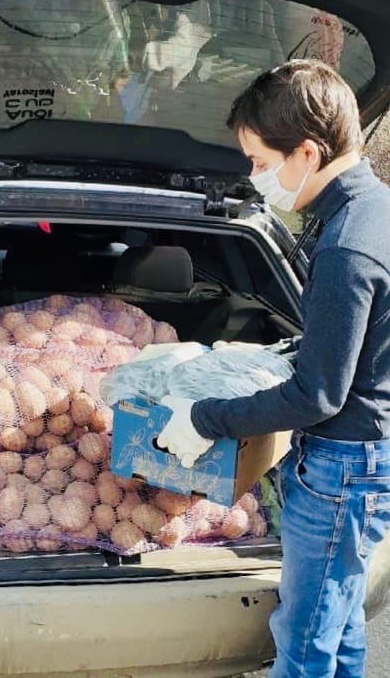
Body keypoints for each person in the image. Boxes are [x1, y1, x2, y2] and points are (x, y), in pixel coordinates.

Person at [157, 59, 390, 678]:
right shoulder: (377, 210)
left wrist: (206, 417)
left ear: (308, 152)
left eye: (260, 163)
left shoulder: (347, 246)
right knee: (337, 628)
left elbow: (317, 396)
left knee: (305, 639)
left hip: (344, 468)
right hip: (370, 456)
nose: (255, 178)